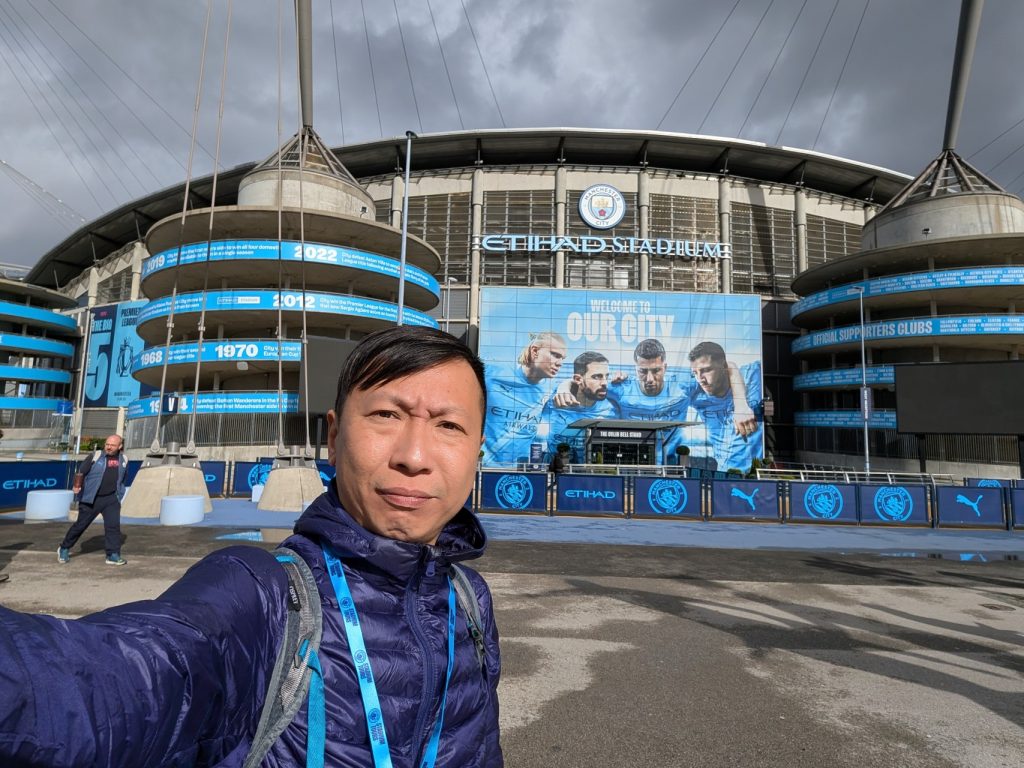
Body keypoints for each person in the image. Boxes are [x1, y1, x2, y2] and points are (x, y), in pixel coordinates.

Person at [0, 326, 503, 767]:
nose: (414, 456)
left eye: (449, 425)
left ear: (476, 453)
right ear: (333, 437)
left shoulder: (470, 600)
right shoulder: (261, 594)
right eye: (387, 415)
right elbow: (105, 684)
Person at [605, 339, 756, 463]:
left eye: (656, 371)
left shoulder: (682, 385)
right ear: (635, 369)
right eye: (643, 371)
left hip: (673, 461)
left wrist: (741, 406)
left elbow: (729, 366)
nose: (649, 379)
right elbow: (593, 383)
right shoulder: (621, 388)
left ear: (665, 368)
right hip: (632, 460)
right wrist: (611, 376)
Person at [482, 330, 567, 465]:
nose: (560, 363)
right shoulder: (492, 373)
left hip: (523, 471)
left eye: (562, 358)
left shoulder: (552, 392)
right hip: (484, 469)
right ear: (535, 351)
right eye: (555, 355)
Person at [688, 340, 763, 474]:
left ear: (723, 366)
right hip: (723, 475)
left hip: (755, 476)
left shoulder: (752, 376)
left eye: (706, 370)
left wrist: (741, 404)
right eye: (695, 373)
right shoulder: (696, 393)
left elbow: (732, 366)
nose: (700, 379)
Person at [58, 434, 128, 566]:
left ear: (120, 446)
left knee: (113, 527)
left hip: (111, 499)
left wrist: (119, 495)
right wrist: (77, 486)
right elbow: (81, 472)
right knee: (80, 525)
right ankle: (64, 548)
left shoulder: (124, 459)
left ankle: (112, 554)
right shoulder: (96, 456)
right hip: (91, 498)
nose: (109, 447)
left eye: (112, 445)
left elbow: (123, 478)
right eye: (107, 444)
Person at [545, 351, 616, 456]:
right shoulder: (555, 399)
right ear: (578, 379)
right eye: (597, 377)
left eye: (607, 376)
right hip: (554, 465)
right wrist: (564, 386)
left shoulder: (612, 410)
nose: (605, 382)